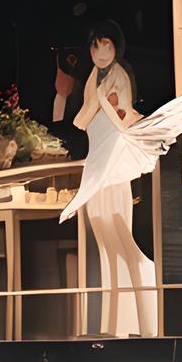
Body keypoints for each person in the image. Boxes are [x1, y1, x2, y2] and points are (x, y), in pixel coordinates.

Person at [63, 21, 159, 337]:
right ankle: (116, 326)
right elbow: (84, 118)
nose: (101, 53)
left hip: (112, 162)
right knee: (105, 236)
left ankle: (144, 325)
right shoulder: (96, 76)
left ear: (116, 47)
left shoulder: (118, 75)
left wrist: (100, 108)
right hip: (98, 157)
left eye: (107, 46)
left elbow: (116, 114)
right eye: (95, 46)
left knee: (120, 236)